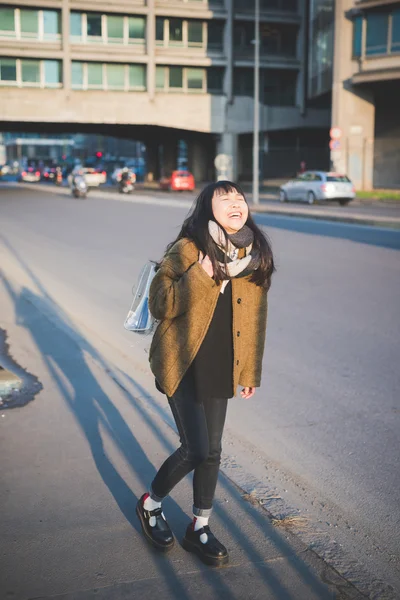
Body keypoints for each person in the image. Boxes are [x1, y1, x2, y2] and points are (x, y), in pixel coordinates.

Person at [136, 180, 275, 567]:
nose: (235, 204)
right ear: (207, 208)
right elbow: (161, 304)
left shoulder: (253, 257)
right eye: (224, 198)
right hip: (182, 359)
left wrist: (250, 371)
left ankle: (199, 526)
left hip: (222, 363)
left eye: (240, 198)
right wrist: (200, 273)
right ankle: (151, 504)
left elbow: (255, 320)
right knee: (195, 448)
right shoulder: (188, 249)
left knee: (213, 452)